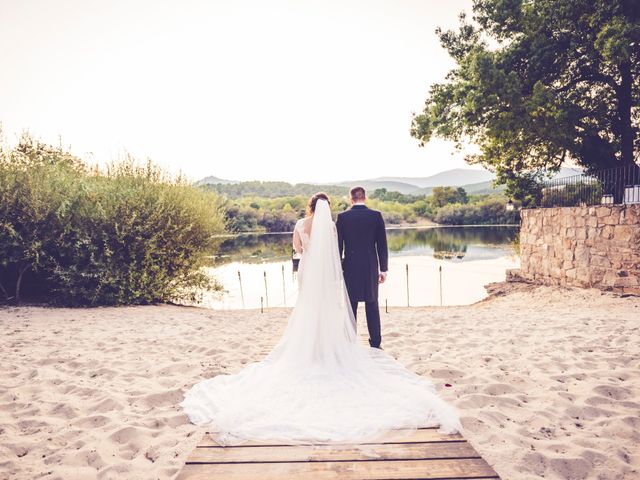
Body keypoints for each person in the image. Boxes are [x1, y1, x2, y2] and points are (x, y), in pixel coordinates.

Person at [180, 193, 460, 446]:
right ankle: (332, 347)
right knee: (328, 310)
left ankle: (308, 348)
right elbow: (335, 253)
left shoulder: (302, 224)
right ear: (328, 208)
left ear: (310, 207)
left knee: (308, 310)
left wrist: (309, 256)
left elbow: (298, 250)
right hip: (326, 277)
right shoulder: (334, 226)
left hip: (307, 274)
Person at [336, 186, 387, 348]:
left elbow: (338, 247)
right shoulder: (376, 216)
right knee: (372, 304)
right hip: (371, 266)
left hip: (350, 267)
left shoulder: (343, 217)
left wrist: (338, 269)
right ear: (364, 197)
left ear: (351, 199)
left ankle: (350, 341)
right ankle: (375, 342)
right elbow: (382, 245)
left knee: (351, 305)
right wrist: (383, 269)